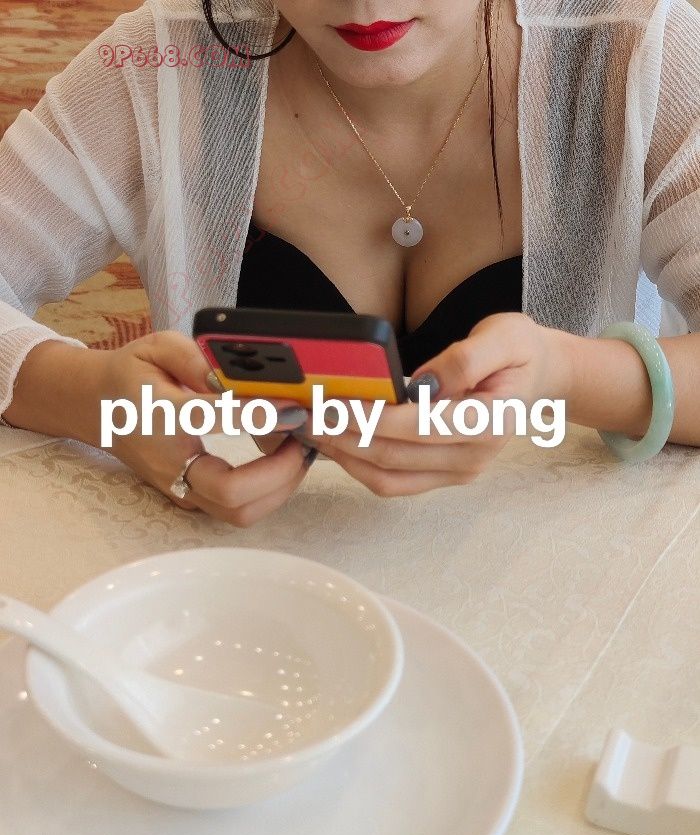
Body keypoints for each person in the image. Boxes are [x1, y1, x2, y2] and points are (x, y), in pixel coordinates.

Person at [0, 0, 698, 526]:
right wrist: (97, 397)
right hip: (252, 610)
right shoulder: (162, 66)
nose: (365, 5)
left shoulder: (634, 51)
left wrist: (568, 375)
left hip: (563, 610)